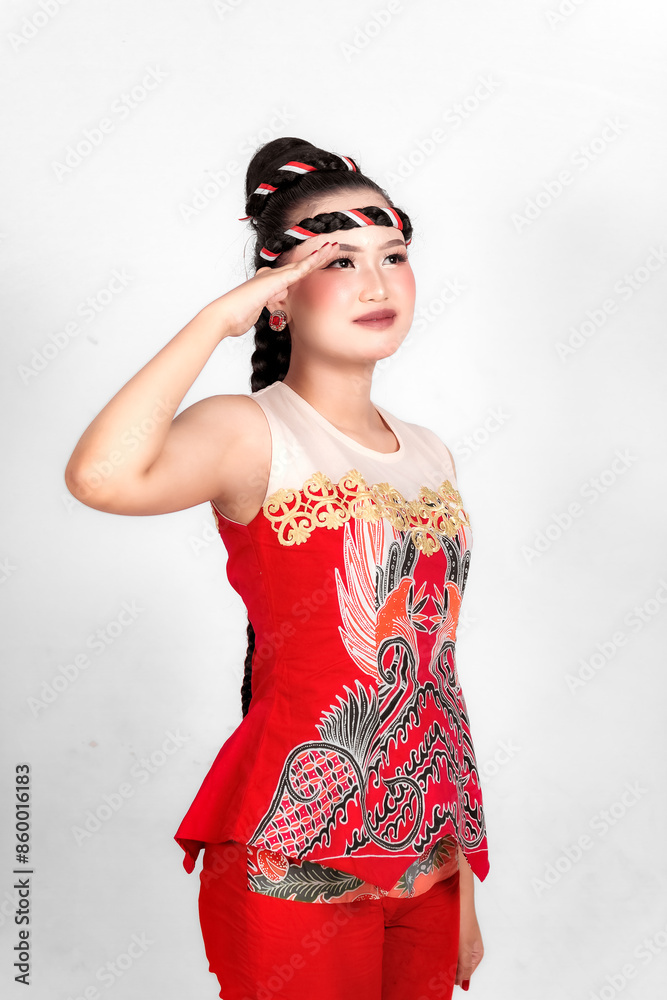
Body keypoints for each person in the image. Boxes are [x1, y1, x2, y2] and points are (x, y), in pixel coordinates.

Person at [65, 136, 490, 1000]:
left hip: (428, 861)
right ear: (280, 296)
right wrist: (216, 320)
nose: (376, 283)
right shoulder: (250, 431)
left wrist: (462, 880)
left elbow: (434, 677)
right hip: (294, 857)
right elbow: (101, 478)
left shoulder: (429, 452)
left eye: (394, 255)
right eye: (338, 260)